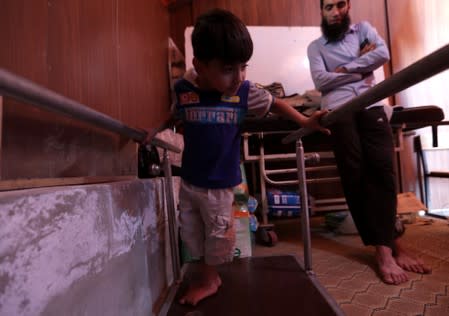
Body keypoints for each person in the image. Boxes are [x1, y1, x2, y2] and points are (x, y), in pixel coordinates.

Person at [174, 8, 329, 306]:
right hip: (189, 180)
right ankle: (207, 275)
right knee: (191, 233)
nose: (240, 76)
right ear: (200, 66)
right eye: (229, 68)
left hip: (219, 184)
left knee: (217, 234)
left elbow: (277, 103)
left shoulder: (244, 92)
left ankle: (209, 280)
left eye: (244, 66)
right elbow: (174, 113)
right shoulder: (184, 89)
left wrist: (306, 122)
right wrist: (153, 131)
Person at [307, 0, 431, 285]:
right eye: (329, 6)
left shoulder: (363, 30)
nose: (335, 11)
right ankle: (385, 251)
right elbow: (321, 81)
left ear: (348, 6)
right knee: (355, 173)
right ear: (322, 10)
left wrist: (342, 69)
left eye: (340, 4)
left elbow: (383, 54)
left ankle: (391, 243)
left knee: (383, 171)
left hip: (372, 103)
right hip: (338, 110)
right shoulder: (316, 47)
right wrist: (361, 68)